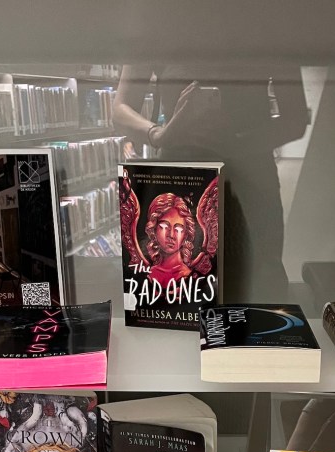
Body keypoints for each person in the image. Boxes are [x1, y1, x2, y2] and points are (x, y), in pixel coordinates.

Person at [113, 64, 308, 301]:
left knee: (256, 279)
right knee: (180, 287)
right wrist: (159, 135)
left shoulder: (155, 40)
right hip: (216, 171)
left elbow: (296, 119)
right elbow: (120, 110)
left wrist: (159, 135)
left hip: (232, 174)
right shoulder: (266, 39)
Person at [144, 193, 195, 286]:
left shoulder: (188, 276)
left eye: (178, 229)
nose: (171, 235)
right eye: (164, 226)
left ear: (186, 235)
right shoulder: (148, 273)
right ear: (154, 229)